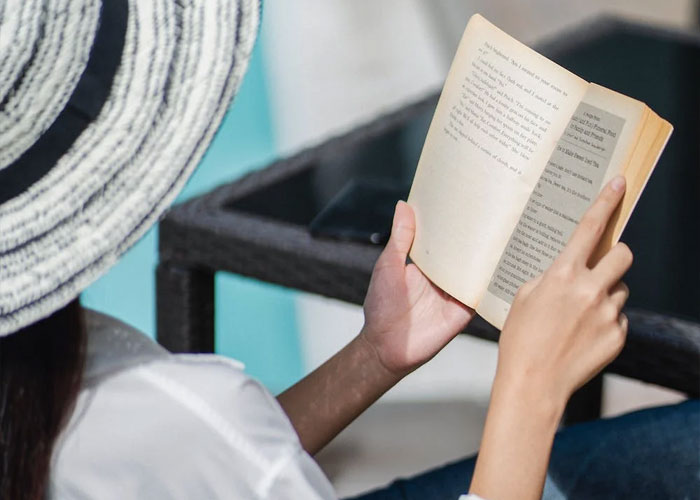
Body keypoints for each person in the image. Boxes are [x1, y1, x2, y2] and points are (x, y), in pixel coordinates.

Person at [0, 1, 697, 499]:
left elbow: (206, 468)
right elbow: (215, 450)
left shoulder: (63, 401)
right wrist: (531, 387)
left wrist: (374, 356)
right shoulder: (176, 411)